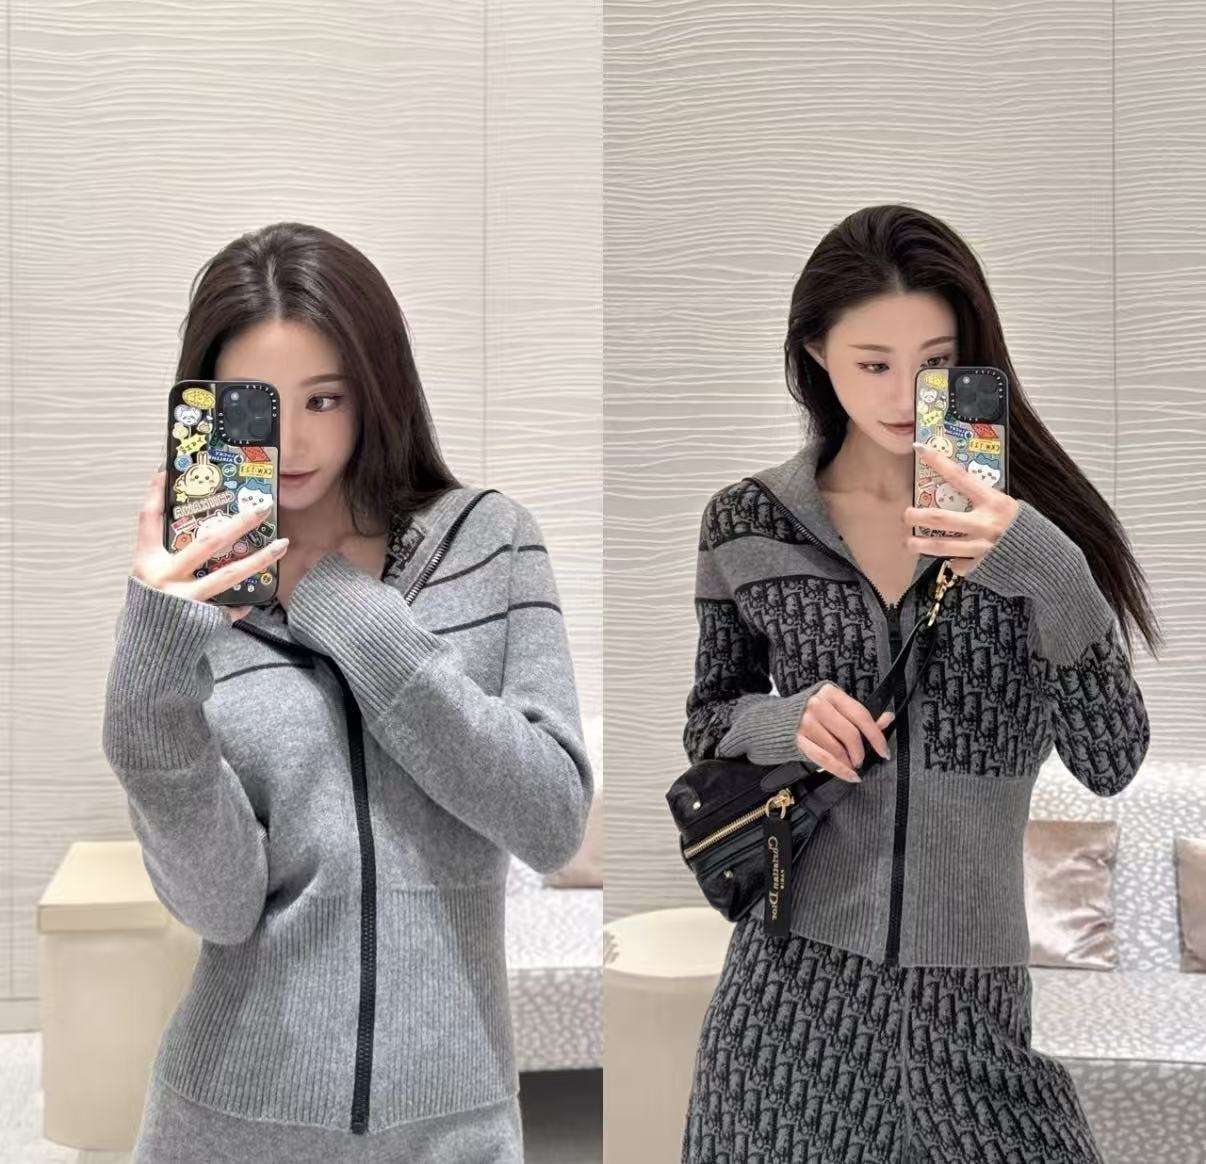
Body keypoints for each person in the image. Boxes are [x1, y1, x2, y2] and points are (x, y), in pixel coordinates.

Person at [102, 222, 593, 1163]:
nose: (292, 441)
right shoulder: (194, 597)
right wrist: (151, 672)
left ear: (376, 390)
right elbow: (219, 906)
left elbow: (550, 817)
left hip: (454, 1128)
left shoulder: (491, 542)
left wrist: (334, 600)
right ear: (210, 406)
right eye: (258, 405)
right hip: (227, 1123)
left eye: (324, 399)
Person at [679, 204, 1156, 1163]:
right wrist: (786, 722)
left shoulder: (1036, 534)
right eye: (873, 364)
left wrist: (1044, 569)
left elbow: (1111, 759)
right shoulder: (748, 523)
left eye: (936, 364)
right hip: (785, 1006)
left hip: (971, 999)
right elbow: (709, 724)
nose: (905, 395)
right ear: (815, 353)